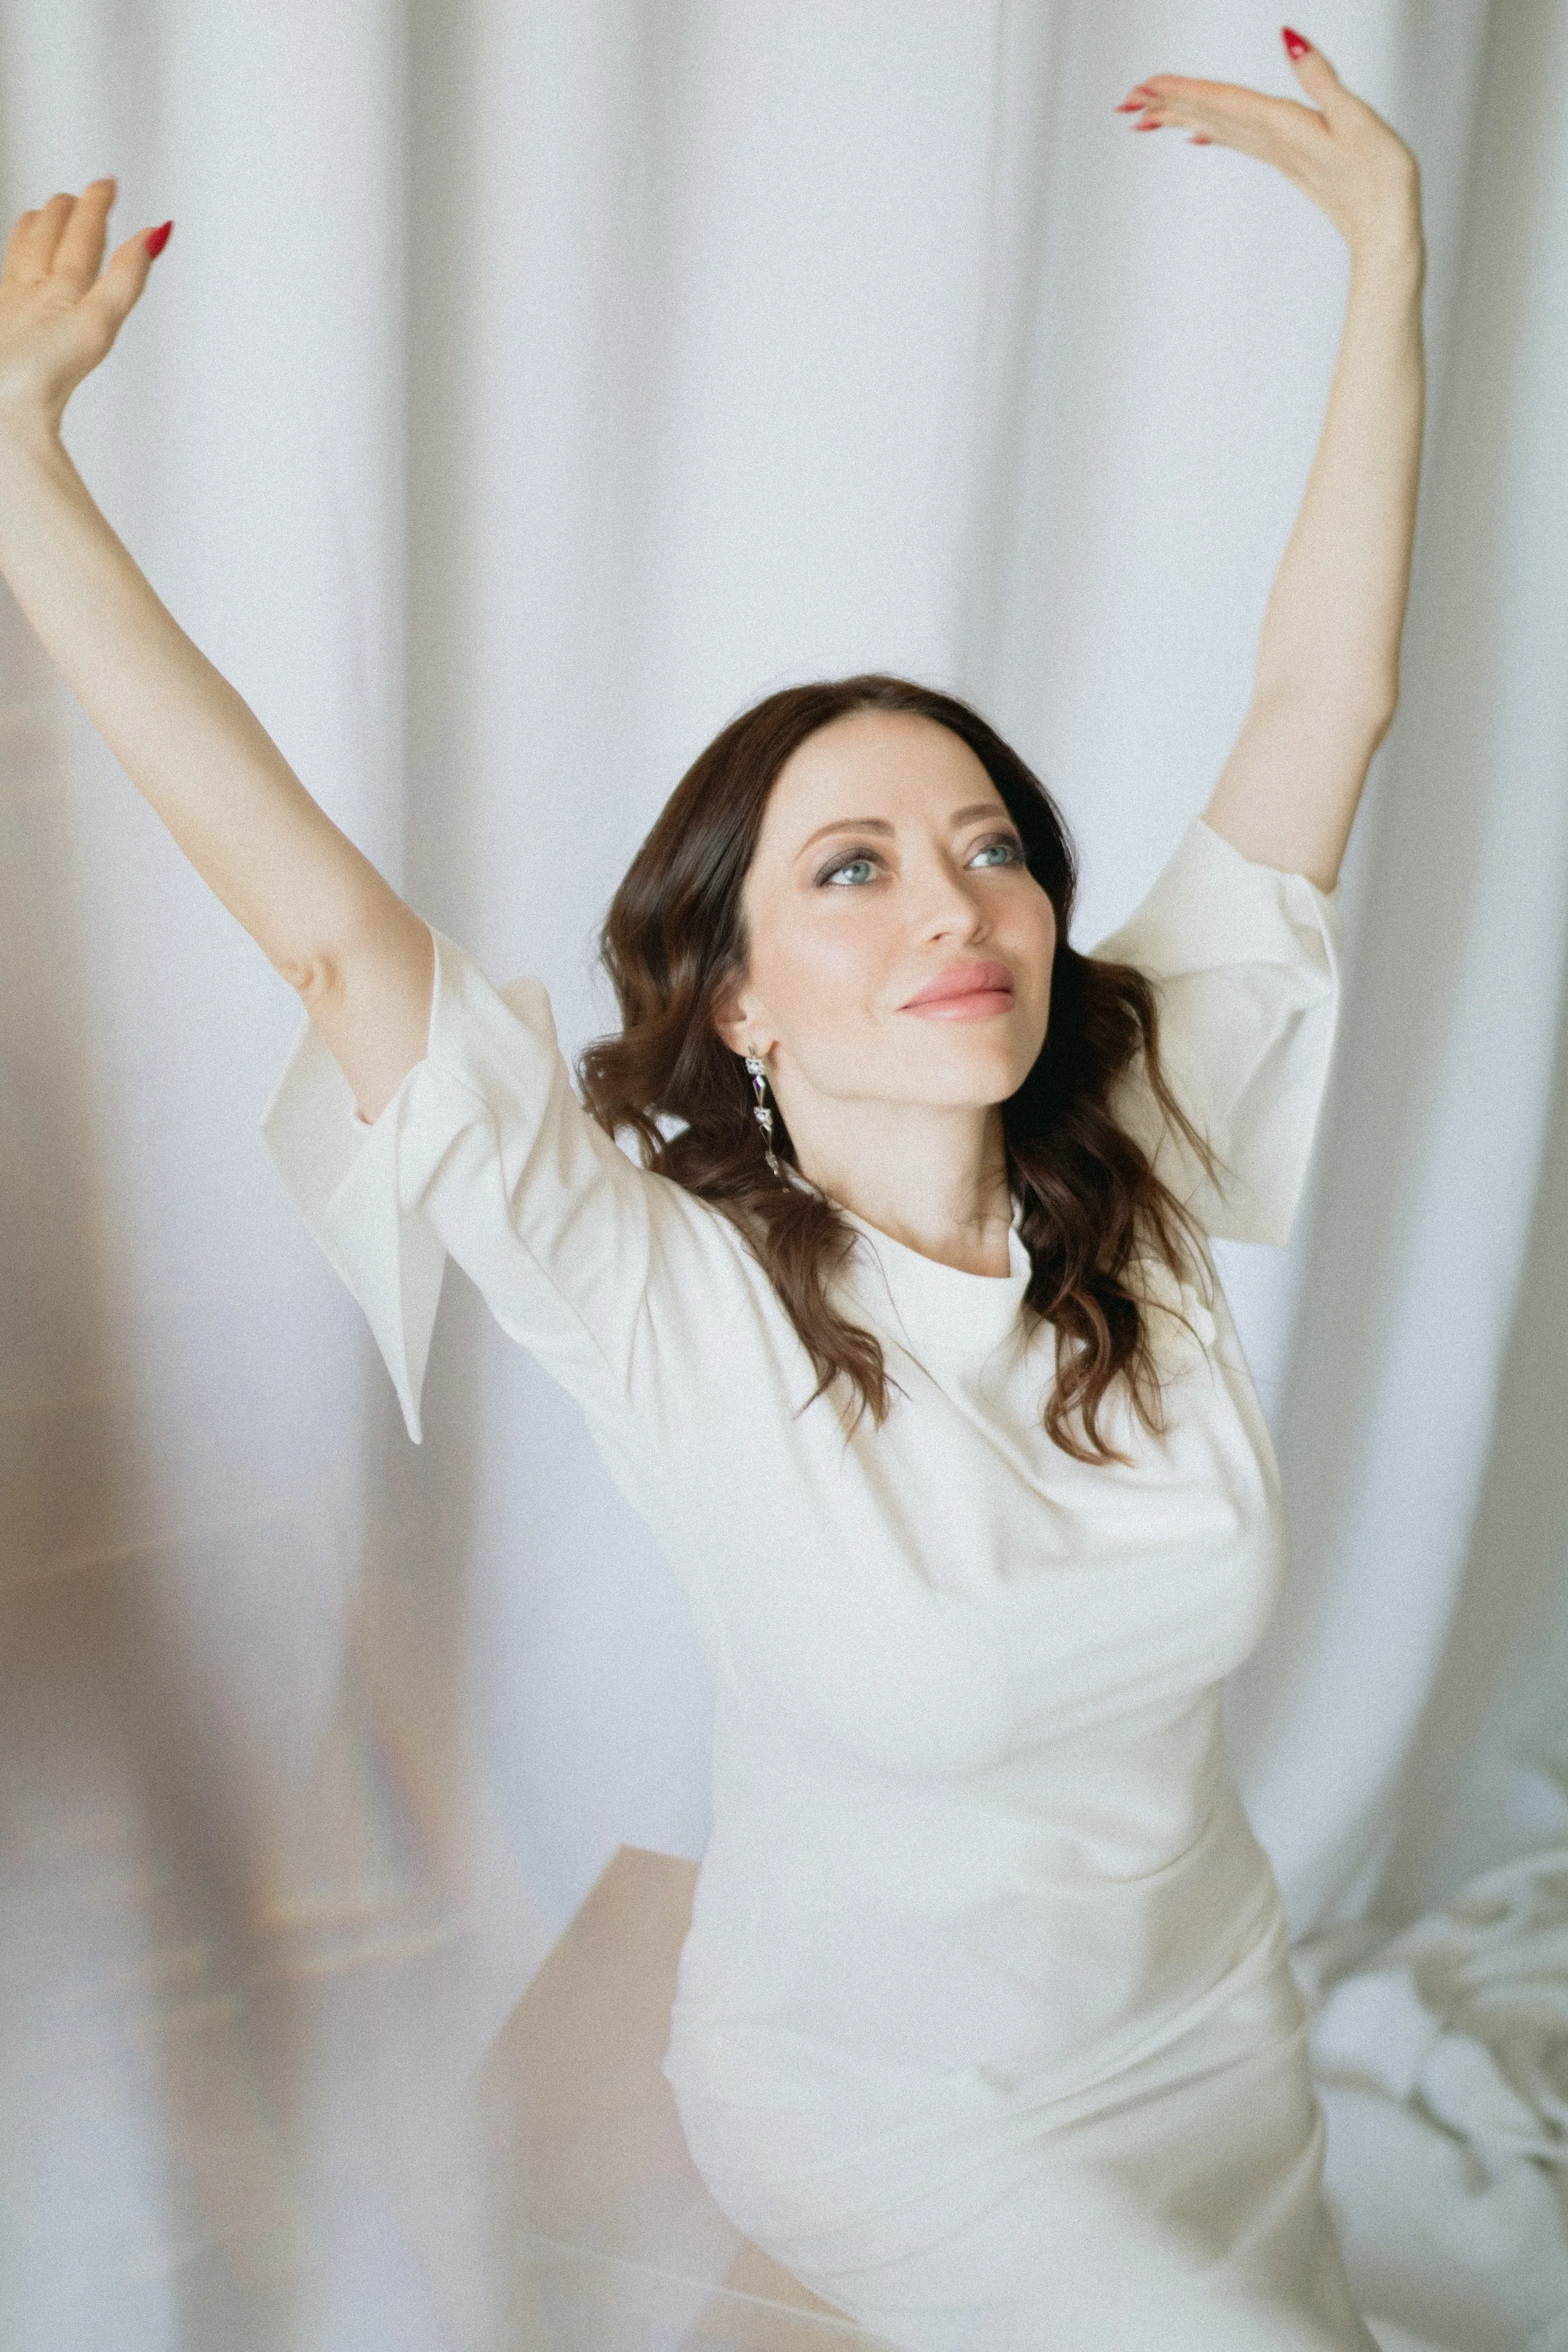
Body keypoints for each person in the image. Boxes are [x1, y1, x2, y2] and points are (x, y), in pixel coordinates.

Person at [0, 26, 1424, 2351]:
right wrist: (21, 468)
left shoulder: (1137, 1155)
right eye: (850, 869)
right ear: (737, 998)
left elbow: (1320, 706)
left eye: (989, 849)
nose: (952, 905)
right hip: (896, 2106)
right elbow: (330, 928)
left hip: (1209, 2042)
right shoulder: (659, 1282)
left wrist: (1384, 250)